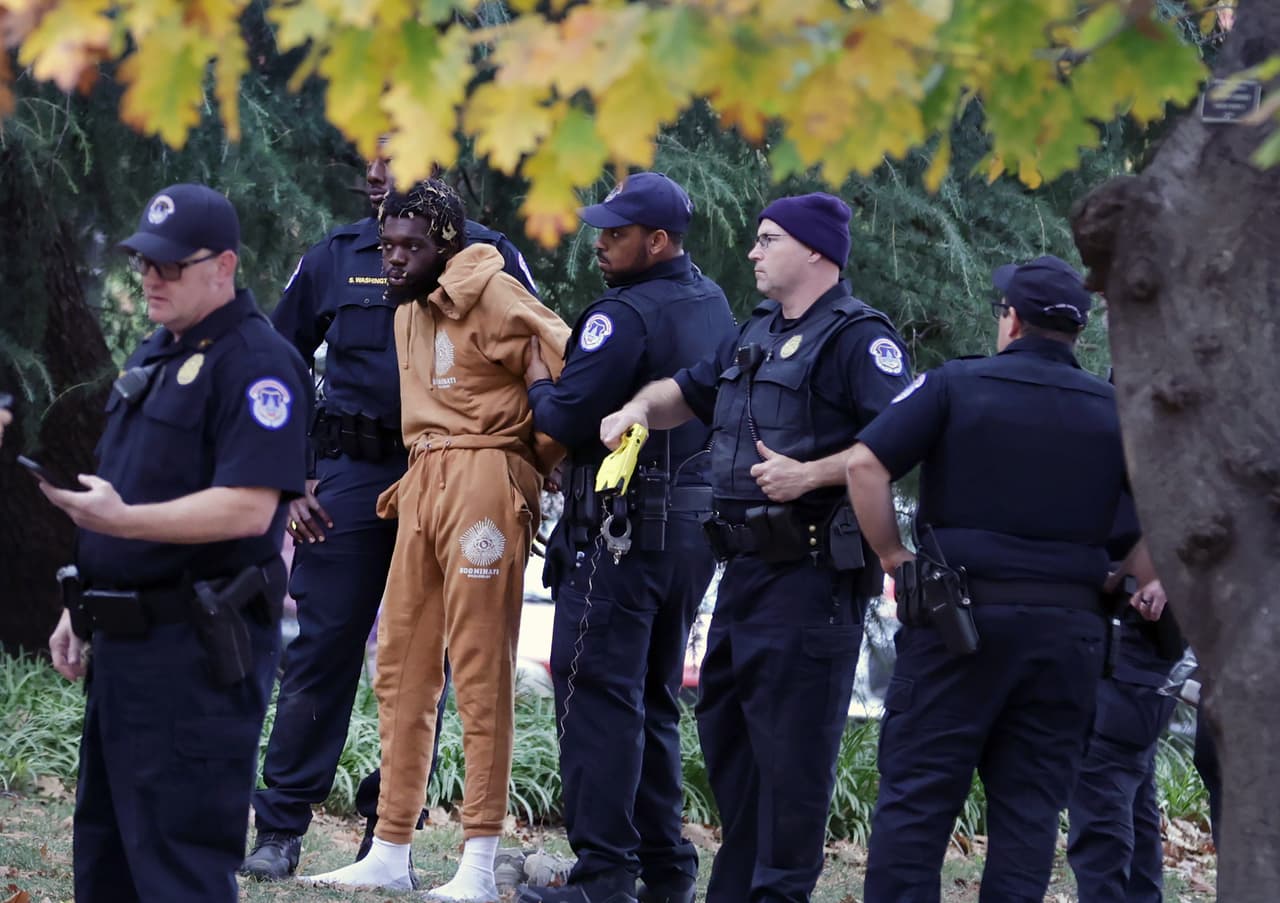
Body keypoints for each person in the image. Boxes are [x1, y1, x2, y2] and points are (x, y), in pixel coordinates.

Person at [600, 193, 912, 902]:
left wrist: (813, 471)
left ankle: (779, 893)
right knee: (729, 738)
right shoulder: (759, 331)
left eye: (767, 239)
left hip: (810, 577)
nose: (752, 251)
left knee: (793, 758)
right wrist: (638, 409)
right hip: (741, 572)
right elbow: (688, 390)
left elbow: (901, 438)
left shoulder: (860, 339)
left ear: (815, 252)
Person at [243, 153, 540, 881]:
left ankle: (389, 835)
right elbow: (275, 363)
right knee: (323, 646)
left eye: (396, 153)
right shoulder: (337, 254)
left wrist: (524, 472)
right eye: (368, 157)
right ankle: (281, 825)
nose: (378, 171)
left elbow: (537, 357)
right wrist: (291, 478)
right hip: (350, 473)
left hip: (456, 472)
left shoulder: (487, 257)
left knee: (431, 658)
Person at [847, 255, 1153, 902]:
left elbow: (865, 467)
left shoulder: (954, 384)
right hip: (1070, 633)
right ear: (1076, 333)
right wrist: (1125, 572)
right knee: (1030, 810)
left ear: (1011, 320)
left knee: (917, 799)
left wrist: (893, 556)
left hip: (959, 624)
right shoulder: (1117, 411)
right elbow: (1171, 515)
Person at [38, 183, 309, 902]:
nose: (151, 278)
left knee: (176, 869)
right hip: (124, 649)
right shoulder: (157, 351)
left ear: (224, 266)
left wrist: (120, 522)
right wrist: (80, 604)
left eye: (169, 266)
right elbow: (132, 482)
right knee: (107, 861)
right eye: (143, 264)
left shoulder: (257, 363)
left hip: (194, 654)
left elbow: (249, 508)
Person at [299, 179, 570, 899]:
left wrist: (527, 468)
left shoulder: (497, 290)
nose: (393, 258)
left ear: (446, 242)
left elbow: (568, 367)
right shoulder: (407, 307)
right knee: (399, 665)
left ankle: (478, 862)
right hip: (420, 479)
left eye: (410, 245)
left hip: (483, 479)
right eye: (387, 244)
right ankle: (390, 846)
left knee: (479, 672)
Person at [516, 172, 736, 903]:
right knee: (650, 697)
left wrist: (536, 379)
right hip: (686, 536)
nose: (602, 244)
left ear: (659, 241)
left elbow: (567, 419)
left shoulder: (625, 315)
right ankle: (667, 870)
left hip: (621, 535)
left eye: (616, 234)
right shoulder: (712, 301)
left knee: (596, 696)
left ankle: (604, 873)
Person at [1067, 487, 1185, 903]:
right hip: (1137, 636)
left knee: (1104, 796)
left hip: (1126, 629)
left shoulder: (1136, 440)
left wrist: (1163, 575)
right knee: (1131, 799)